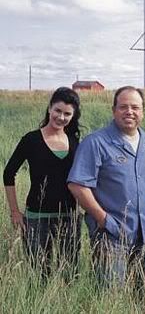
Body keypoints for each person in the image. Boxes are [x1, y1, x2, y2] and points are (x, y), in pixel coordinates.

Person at [67, 86, 145, 285]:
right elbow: (77, 185)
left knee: (140, 292)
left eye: (135, 107)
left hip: (143, 235)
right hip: (110, 237)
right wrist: (104, 220)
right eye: (123, 107)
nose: (129, 112)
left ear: (143, 112)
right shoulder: (96, 142)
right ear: (114, 110)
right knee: (112, 294)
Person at [3, 87, 82, 279]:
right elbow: (8, 174)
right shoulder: (31, 140)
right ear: (49, 109)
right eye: (58, 111)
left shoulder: (74, 142)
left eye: (67, 114)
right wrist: (15, 212)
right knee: (39, 275)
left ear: (72, 116)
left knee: (69, 274)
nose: (61, 117)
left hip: (69, 217)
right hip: (36, 218)